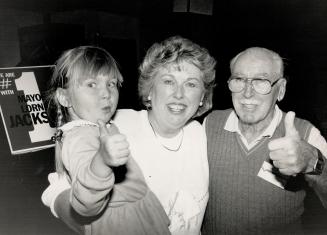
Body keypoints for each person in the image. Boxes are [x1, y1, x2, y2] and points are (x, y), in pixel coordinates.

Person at [42, 36, 217, 235]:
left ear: (203, 96)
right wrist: (88, 222)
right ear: (150, 90)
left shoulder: (202, 133)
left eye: (191, 84)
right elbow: (59, 187)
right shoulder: (113, 128)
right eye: (168, 81)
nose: (179, 94)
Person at [44, 45, 172, 235]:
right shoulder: (82, 136)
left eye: (111, 84)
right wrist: (102, 161)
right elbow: (86, 203)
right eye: (91, 84)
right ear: (64, 98)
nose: (106, 93)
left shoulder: (96, 127)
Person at [201, 47, 327, 234]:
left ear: (281, 89)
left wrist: (312, 162)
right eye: (239, 80)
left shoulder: (305, 133)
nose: (247, 93)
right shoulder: (210, 124)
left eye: (261, 81)